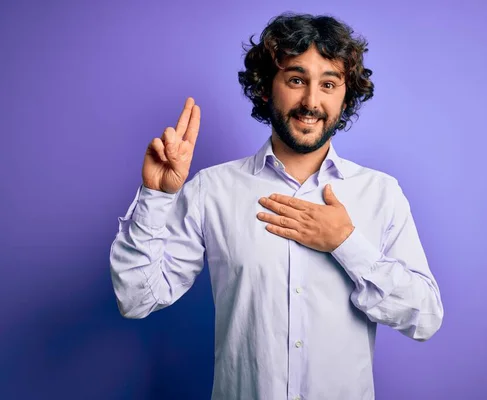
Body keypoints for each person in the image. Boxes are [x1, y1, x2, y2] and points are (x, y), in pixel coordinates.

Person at [109, 12, 443, 400]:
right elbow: (136, 299)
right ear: (266, 87)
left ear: (345, 96)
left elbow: (425, 318)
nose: (311, 101)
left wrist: (346, 243)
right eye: (296, 80)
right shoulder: (212, 190)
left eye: (329, 84)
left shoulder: (381, 194)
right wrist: (156, 196)